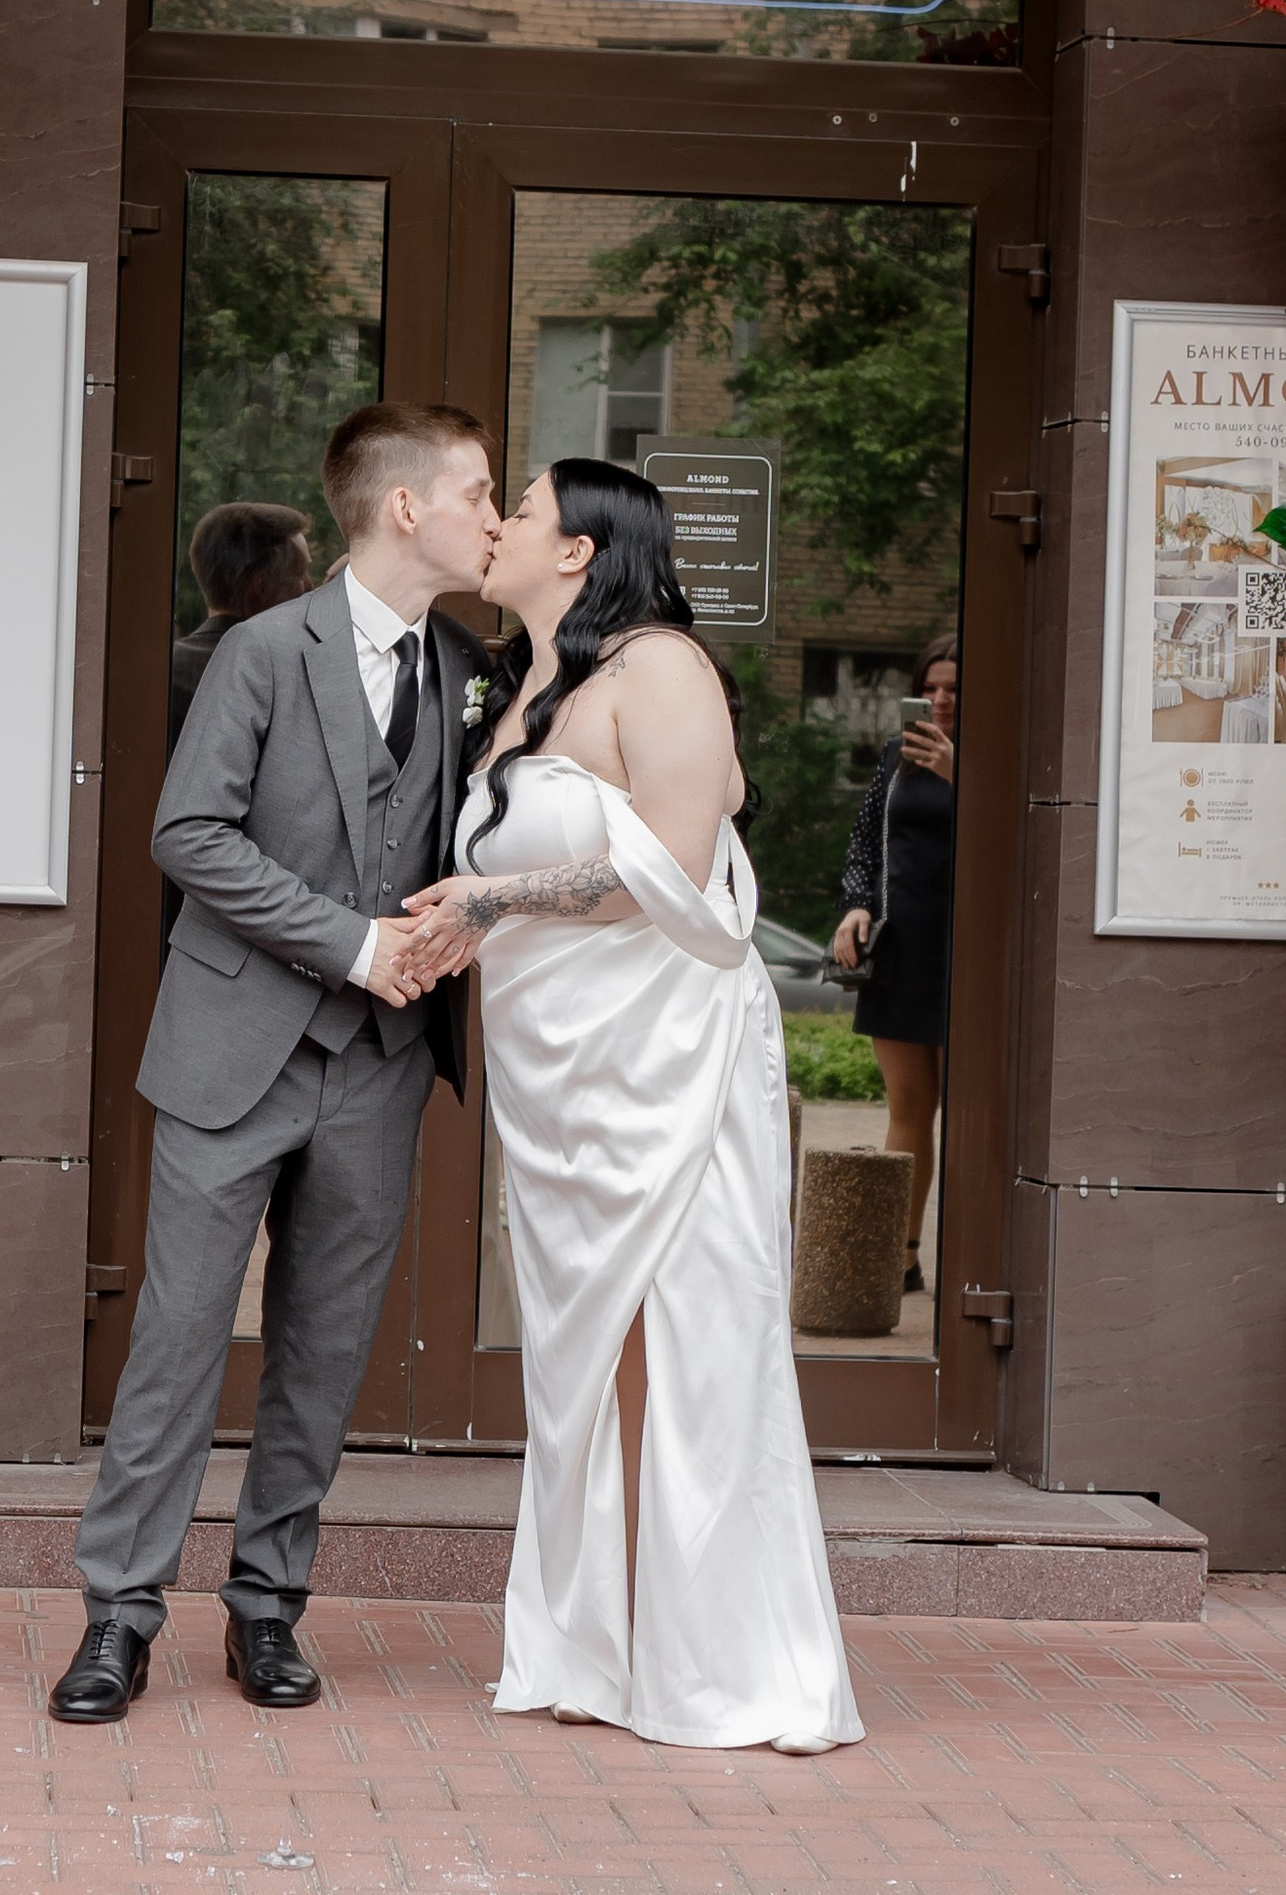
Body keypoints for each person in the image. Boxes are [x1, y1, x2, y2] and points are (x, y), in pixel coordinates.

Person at [400, 459, 861, 1756]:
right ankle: (591, 1644)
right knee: (581, 1361)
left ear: (581, 551)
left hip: (666, 1059)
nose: (497, 524)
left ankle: (708, 1657)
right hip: (558, 1079)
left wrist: (491, 902)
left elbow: (673, 864)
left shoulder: (663, 668)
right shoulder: (519, 688)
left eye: (522, 507)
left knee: (686, 1342)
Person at [50, 405, 499, 1726]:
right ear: (405, 507)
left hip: (382, 1063)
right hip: (232, 1045)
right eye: (479, 492)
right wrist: (353, 944)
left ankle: (268, 1608)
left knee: (323, 1348)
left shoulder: (473, 668)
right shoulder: (260, 650)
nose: (494, 516)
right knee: (179, 1336)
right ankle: (118, 1617)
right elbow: (188, 833)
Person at [829, 630, 957, 1294]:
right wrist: (856, 906)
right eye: (929, 688)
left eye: (954, 689)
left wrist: (960, 773)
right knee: (908, 1107)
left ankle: (976, 1258)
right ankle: (899, 1258)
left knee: (969, 1114)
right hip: (902, 946)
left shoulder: (998, 757)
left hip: (969, 951)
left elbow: (1018, 834)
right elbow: (864, 845)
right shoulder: (895, 756)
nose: (940, 699)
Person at [170, 500, 313, 754]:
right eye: (301, 575)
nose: (311, 588)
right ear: (261, 586)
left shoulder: (164, 674)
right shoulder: (293, 675)